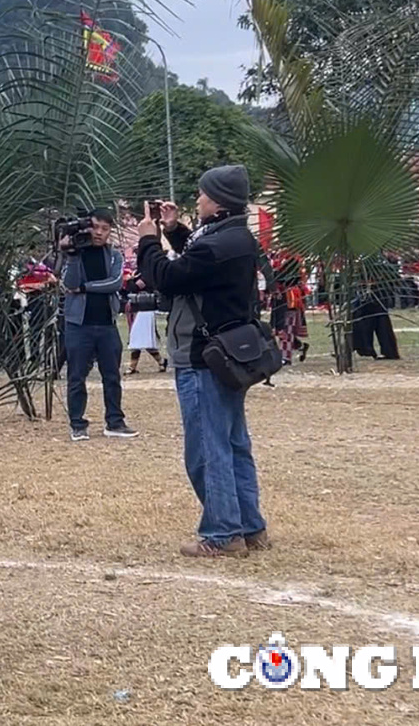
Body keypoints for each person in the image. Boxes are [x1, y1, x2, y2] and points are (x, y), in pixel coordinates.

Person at [134, 167, 269, 559]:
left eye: (203, 194)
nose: (198, 200)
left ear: (219, 200)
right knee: (232, 443)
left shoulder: (218, 244)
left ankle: (223, 532)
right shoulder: (236, 236)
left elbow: (167, 276)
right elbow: (199, 266)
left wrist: (149, 241)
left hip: (202, 355)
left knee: (208, 450)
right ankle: (249, 525)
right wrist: (176, 230)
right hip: (228, 354)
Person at [58, 209, 135, 441]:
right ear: (86, 227)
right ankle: (77, 425)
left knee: (112, 376)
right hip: (78, 325)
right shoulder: (75, 253)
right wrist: (70, 255)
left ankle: (115, 422)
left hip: (106, 323)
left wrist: (84, 288)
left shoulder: (114, 255)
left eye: (105, 228)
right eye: (95, 227)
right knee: (76, 376)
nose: (99, 233)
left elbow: (113, 283)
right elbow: (67, 283)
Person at [124, 274, 166, 373]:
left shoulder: (145, 277)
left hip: (145, 311)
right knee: (138, 340)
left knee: (143, 340)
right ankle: (160, 362)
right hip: (139, 310)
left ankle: (160, 362)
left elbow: (133, 287)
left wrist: (130, 280)